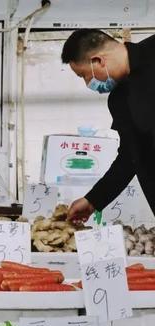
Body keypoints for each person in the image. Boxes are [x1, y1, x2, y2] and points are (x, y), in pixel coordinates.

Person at [61, 29, 155, 223]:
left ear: (98, 61)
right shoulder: (120, 100)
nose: (88, 83)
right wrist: (93, 200)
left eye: (84, 76)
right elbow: (130, 156)